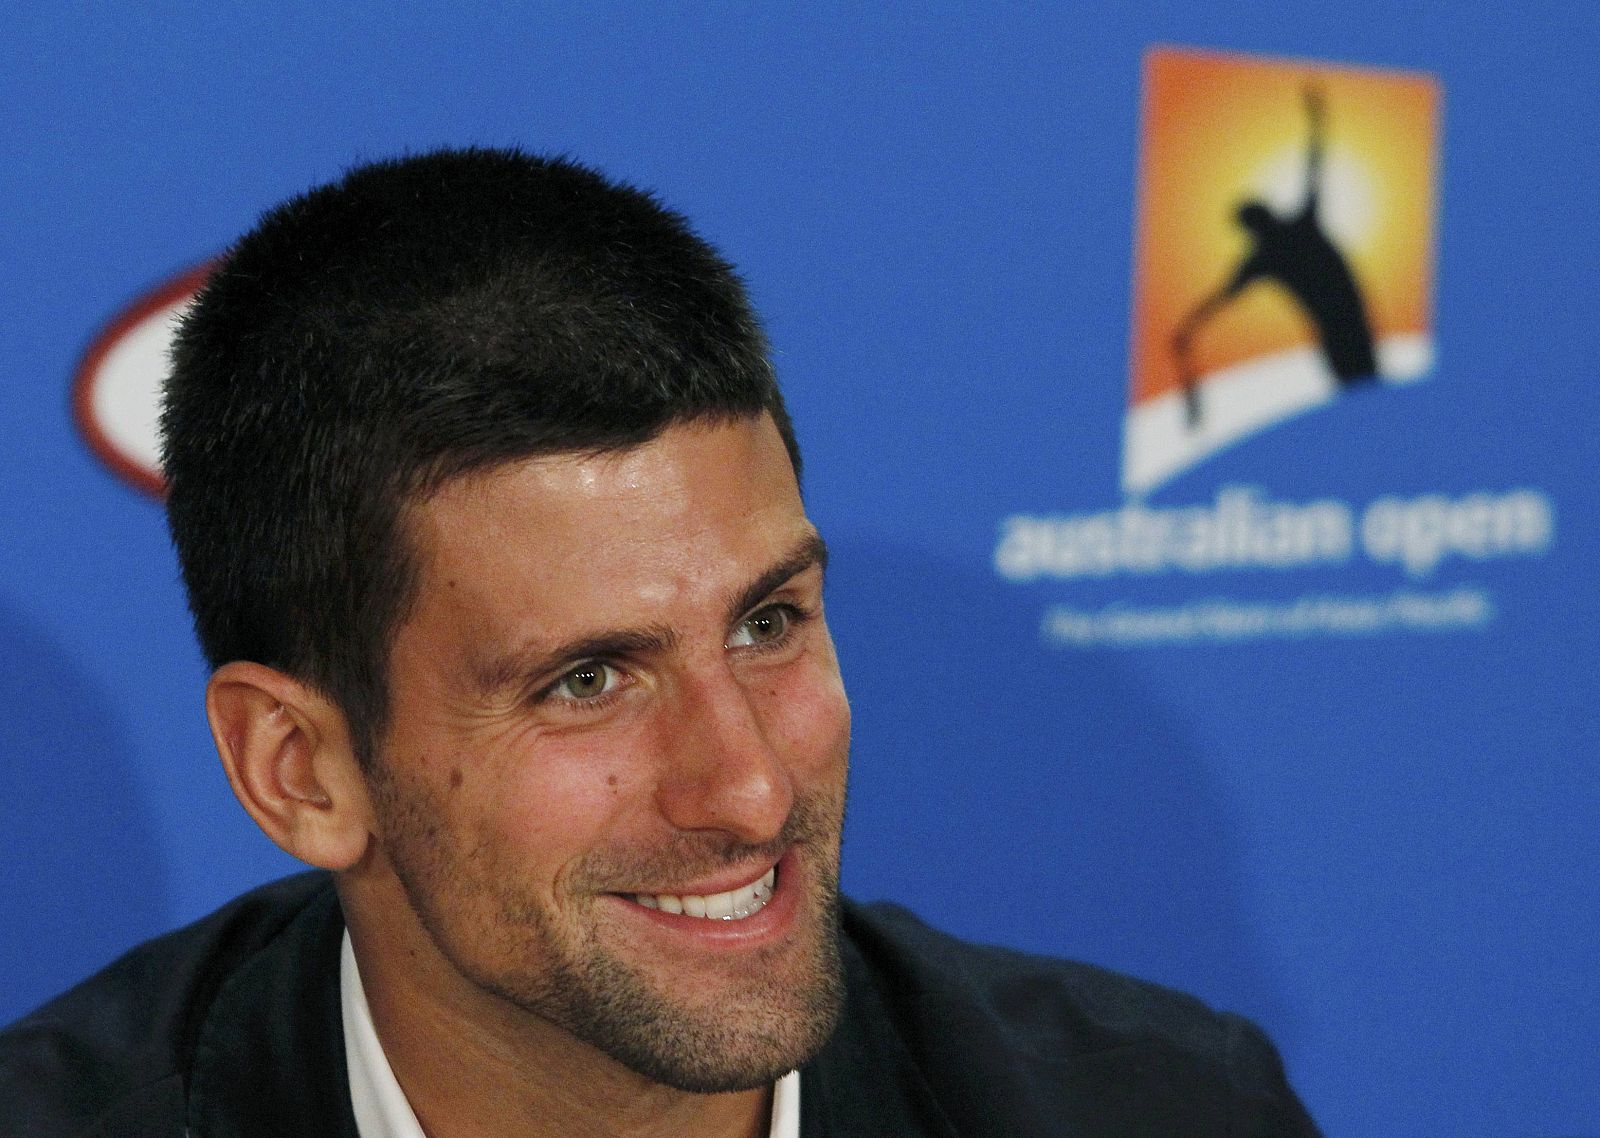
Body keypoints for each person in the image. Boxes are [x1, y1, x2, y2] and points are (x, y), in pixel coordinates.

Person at [0, 149, 1319, 1137]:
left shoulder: (1163, 1108)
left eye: (768, 623)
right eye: (587, 681)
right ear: (301, 768)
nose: (749, 788)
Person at [1172, 85, 1378, 428]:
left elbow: (1315, 165)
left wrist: (1317, 120)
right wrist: (1189, 327)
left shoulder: (1284, 241)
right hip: (1341, 328)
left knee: (1365, 396)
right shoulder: (1274, 249)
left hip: (1349, 323)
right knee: (1363, 398)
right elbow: (1221, 298)